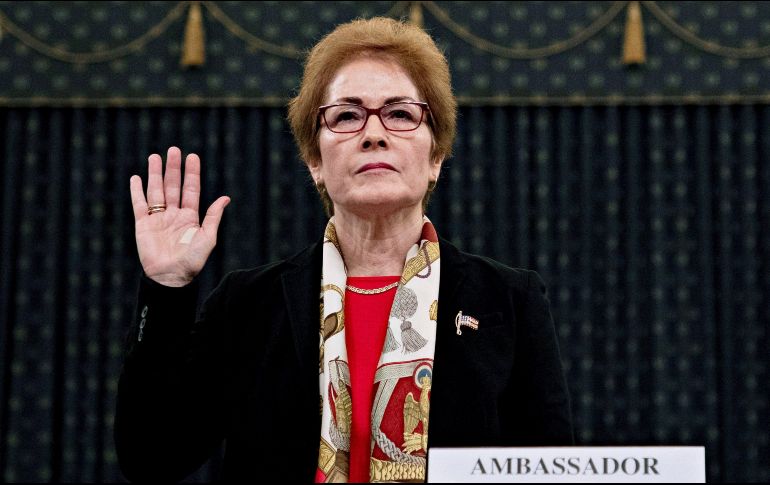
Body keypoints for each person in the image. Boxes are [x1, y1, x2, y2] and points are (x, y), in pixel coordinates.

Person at [115, 17, 573, 483]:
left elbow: (548, 473)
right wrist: (167, 288)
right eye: (347, 116)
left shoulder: (508, 300)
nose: (374, 133)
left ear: (436, 156)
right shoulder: (248, 304)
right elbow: (151, 457)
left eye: (399, 114)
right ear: (314, 159)